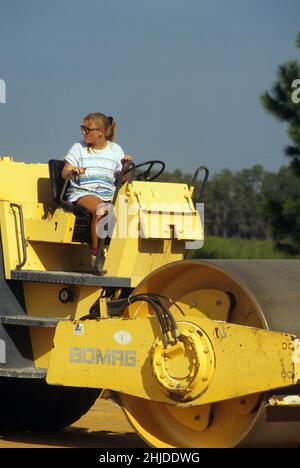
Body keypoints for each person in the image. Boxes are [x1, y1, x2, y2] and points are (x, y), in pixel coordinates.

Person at [61, 112, 133, 267]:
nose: (84, 132)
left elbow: (123, 180)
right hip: (84, 192)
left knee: (132, 213)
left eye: (88, 129)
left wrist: (125, 168)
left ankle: (122, 257)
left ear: (100, 132)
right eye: (83, 128)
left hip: (108, 193)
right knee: (101, 210)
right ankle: (96, 255)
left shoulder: (115, 150)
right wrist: (72, 172)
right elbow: (64, 172)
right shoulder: (78, 148)